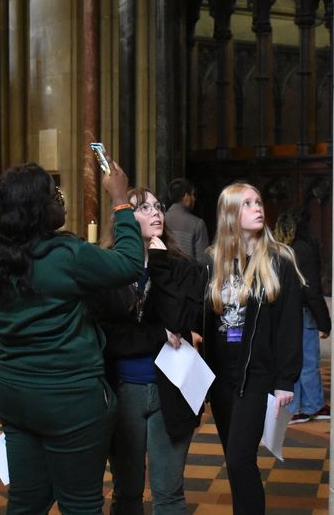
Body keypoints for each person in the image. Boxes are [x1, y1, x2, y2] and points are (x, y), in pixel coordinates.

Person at [0, 161, 143, 514]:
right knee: (79, 504)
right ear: (37, 209)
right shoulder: (66, 255)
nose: (61, 201)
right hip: (72, 398)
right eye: (55, 195)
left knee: (26, 502)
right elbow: (130, 263)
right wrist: (120, 199)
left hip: (16, 395)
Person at [95, 187, 205, 515]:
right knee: (126, 493)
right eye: (144, 207)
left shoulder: (181, 267)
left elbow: (182, 321)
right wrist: (159, 333)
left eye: (157, 206)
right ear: (125, 218)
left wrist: (158, 265)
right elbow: (109, 336)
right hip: (123, 388)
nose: (155, 212)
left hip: (171, 389)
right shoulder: (107, 268)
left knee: (169, 494)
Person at [203, 183, 304, 514]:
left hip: (256, 375)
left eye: (258, 201)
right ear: (231, 214)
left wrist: (286, 379)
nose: (258, 207)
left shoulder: (279, 262)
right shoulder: (212, 262)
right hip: (221, 379)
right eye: (247, 203)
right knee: (236, 464)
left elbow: (290, 325)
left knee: (238, 459)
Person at [277, 207, 332, 424]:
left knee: (291, 360)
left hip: (283, 313)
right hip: (302, 313)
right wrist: (324, 322)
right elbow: (311, 290)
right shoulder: (303, 249)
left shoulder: (278, 249)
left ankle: (295, 407)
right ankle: (312, 406)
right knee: (309, 361)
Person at [163, 178, 209, 263]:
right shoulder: (197, 224)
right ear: (186, 197)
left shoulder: (160, 219)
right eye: (193, 195)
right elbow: (203, 262)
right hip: (188, 275)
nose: (194, 199)